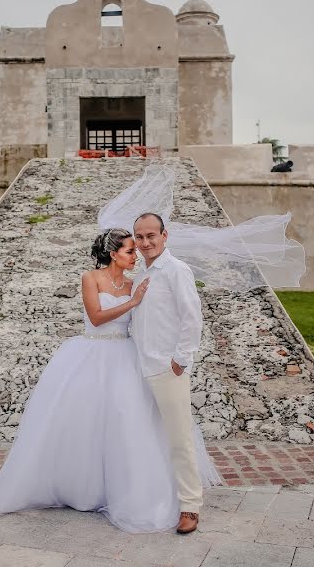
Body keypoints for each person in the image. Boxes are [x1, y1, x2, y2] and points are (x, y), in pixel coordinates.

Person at [0, 228, 221, 534]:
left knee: (127, 423)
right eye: (129, 251)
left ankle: (130, 490)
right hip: (91, 354)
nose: (136, 255)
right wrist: (133, 302)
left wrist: (171, 350)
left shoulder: (138, 281)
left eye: (136, 250)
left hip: (127, 356)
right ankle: (83, 488)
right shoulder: (91, 278)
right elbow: (95, 317)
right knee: (86, 423)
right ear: (113, 254)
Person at [132, 212, 205, 534]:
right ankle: (157, 493)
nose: (145, 242)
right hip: (139, 365)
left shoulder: (176, 270)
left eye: (151, 235)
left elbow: (192, 317)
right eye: (139, 237)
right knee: (147, 435)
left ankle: (191, 506)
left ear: (165, 235)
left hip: (166, 366)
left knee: (179, 438)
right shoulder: (139, 274)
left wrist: (181, 359)